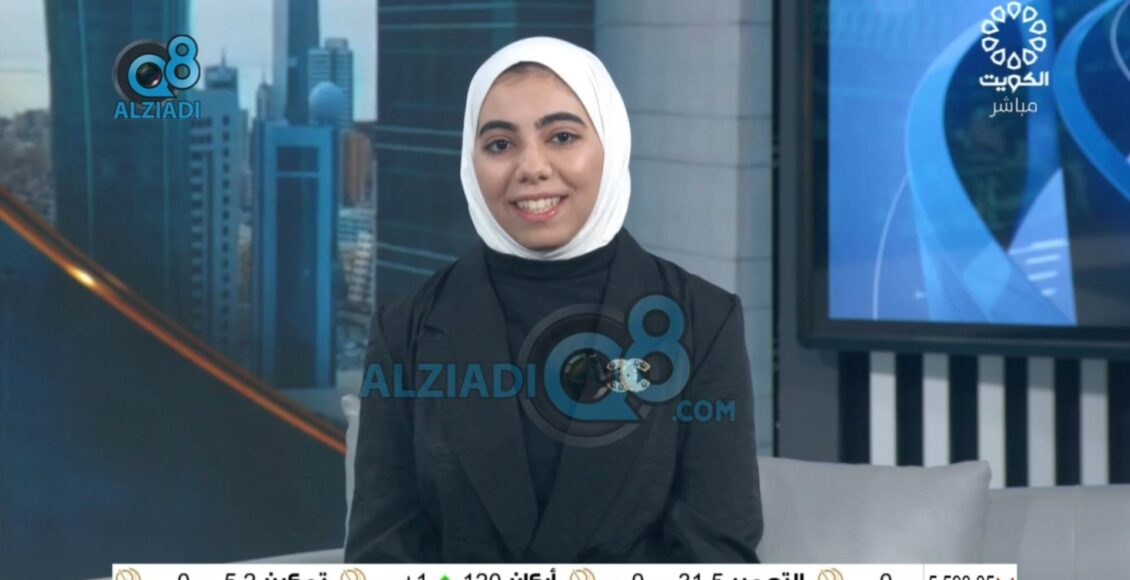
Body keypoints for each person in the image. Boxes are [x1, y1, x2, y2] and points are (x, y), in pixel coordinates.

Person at [345, 36, 763, 563]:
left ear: (611, 143)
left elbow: (716, 553)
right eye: (500, 144)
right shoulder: (405, 328)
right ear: (471, 161)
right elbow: (383, 552)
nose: (532, 167)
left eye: (562, 137)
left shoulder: (702, 321)